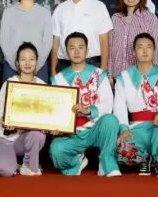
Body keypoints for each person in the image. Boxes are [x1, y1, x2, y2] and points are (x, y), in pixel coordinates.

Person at [49, 32, 121, 177]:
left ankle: (106, 163)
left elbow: (107, 103)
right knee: (56, 150)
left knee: (111, 120)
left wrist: (88, 110)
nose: (76, 52)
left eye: (81, 47)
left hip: (95, 128)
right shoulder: (59, 79)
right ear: (66, 52)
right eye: (72, 48)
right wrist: (55, 126)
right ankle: (76, 161)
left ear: (87, 51)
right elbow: (54, 110)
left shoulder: (99, 74)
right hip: (72, 133)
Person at [113, 33, 158, 177]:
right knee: (122, 151)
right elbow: (119, 106)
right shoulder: (124, 77)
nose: (144, 51)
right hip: (137, 128)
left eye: (149, 47)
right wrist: (123, 129)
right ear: (133, 52)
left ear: (154, 51)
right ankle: (145, 159)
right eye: (140, 47)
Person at [0, 43, 48, 177]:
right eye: (23, 59)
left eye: (31, 59)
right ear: (17, 63)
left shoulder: (42, 85)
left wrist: (51, 126)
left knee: (38, 135)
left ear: (37, 61)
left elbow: (46, 115)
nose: (27, 63)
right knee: (6, 171)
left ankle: (28, 165)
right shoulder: (10, 83)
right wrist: (4, 120)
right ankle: (3, 162)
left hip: (24, 139)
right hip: (5, 137)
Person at [50, 0, 113, 75]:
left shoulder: (98, 6)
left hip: (92, 63)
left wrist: (103, 69)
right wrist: (53, 69)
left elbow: (104, 40)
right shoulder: (60, 9)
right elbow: (56, 41)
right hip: (64, 65)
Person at [0, 0, 54, 81]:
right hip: (12, 66)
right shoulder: (9, 12)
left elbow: (47, 42)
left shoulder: (45, 13)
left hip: (38, 67)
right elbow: (4, 41)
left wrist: (36, 65)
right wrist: (16, 65)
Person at [108, 0, 158, 79]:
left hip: (141, 78)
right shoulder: (115, 18)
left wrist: (153, 78)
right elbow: (110, 51)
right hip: (117, 77)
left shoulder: (150, 18)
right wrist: (110, 76)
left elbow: (157, 52)